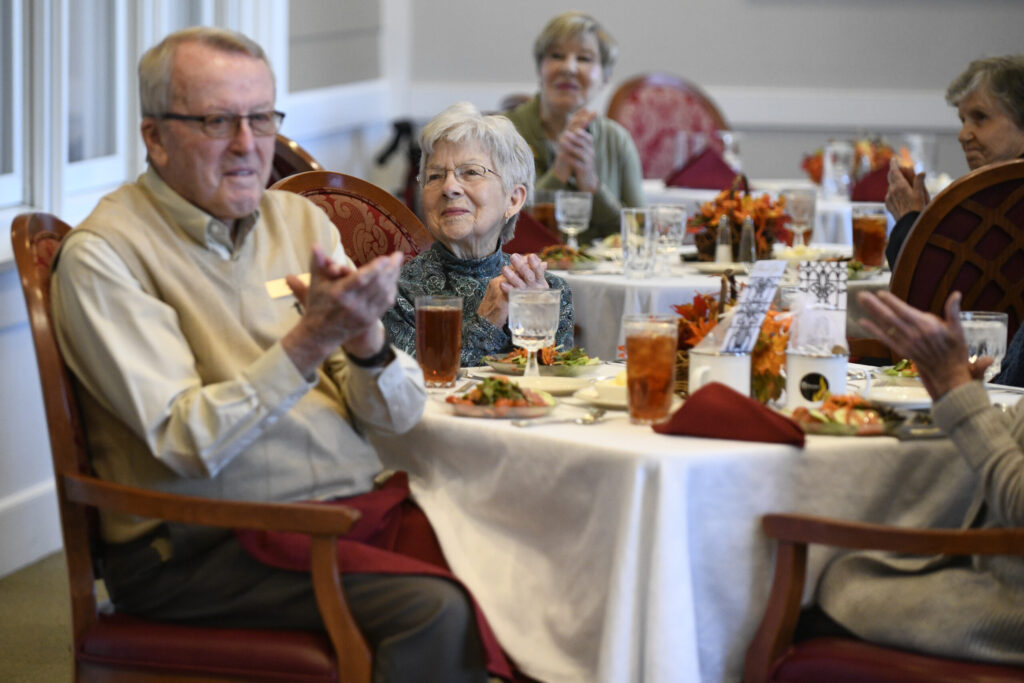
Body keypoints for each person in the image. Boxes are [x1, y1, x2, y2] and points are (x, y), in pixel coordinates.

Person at [50, 27, 508, 683]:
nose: (247, 144)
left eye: (261, 118)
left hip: (339, 511)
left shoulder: (298, 222)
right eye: (216, 121)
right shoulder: (107, 255)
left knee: (513, 572)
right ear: (155, 137)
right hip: (203, 543)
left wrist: (366, 338)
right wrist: (307, 342)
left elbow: (400, 414)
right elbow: (187, 441)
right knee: (433, 610)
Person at [794, 289, 1024, 666]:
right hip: (993, 571)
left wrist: (958, 393)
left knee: (823, 580)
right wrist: (954, 399)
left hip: (1005, 609)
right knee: (844, 572)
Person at [382, 102, 574, 367]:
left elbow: (560, 390)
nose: (449, 187)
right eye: (435, 176)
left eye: (471, 172)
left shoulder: (550, 291)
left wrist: (538, 320)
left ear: (513, 200)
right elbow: (419, 384)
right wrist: (488, 320)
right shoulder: (396, 294)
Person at [505, 11, 643, 240]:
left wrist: (592, 187)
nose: (569, 68)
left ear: (605, 76)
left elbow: (640, 230)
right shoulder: (504, 134)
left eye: (584, 58)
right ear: (541, 68)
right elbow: (499, 226)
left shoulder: (616, 139)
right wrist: (559, 173)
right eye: (557, 56)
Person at [885, 54, 1024, 269]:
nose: (963, 135)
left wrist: (908, 220)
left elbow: (930, 286)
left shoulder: (1005, 199)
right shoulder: (989, 194)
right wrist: (921, 222)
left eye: (980, 117)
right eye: (962, 120)